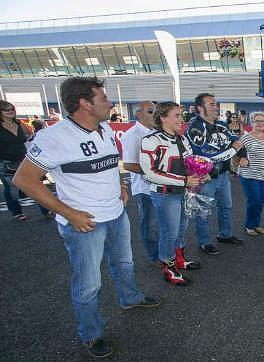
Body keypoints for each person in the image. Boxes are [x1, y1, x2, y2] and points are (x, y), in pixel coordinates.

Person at [12, 77, 160, 358]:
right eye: (104, 98)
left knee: (124, 263)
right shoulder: (54, 136)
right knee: (88, 282)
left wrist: (120, 185)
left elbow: (107, 164)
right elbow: (24, 179)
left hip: (116, 214)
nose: (110, 103)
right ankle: (91, 334)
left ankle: (130, 298)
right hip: (84, 223)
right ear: (85, 104)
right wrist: (69, 213)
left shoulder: (103, 128)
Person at [140, 101, 202, 286]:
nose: (181, 119)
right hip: (165, 195)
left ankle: (179, 260)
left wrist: (198, 175)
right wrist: (184, 181)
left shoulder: (182, 139)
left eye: (180, 115)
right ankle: (168, 268)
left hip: (182, 192)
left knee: (181, 229)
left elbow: (190, 164)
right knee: (169, 232)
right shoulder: (151, 140)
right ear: (162, 117)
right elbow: (149, 173)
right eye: (176, 115)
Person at [185, 93, 247, 255]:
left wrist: (242, 156)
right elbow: (205, 159)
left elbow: (238, 142)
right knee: (203, 211)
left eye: (216, 104)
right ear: (200, 108)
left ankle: (225, 235)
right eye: (211, 104)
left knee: (226, 207)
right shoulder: (194, 128)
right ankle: (204, 242)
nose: (216, 107)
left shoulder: (221, 125)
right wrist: (233, 150)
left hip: (223, 176)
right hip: (206, 179)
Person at [0, 100, 51, 220]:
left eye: (12, 109)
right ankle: (16, 211)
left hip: (23, 159)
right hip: (4, 161)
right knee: (12, 187)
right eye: (7, 109)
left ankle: (47, 209)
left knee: (35, 184)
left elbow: (31, 136)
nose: (11, 111)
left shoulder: (19, 123)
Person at [120, 100, 159, 264]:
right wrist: (157, 173)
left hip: (162, 186)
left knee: (164, 222)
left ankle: (165, 252)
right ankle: (154, 256)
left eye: (156, 111)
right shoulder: (132, 135)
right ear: (138, 114)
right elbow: (128, 164)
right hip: (145, 188)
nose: (155, 115)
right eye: (150, 111)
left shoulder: (157, 132)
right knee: (149, 224)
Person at [238, 112, 264, 236]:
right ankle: (249, 226)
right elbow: (238, 150)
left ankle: (256, 224)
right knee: (254, 200)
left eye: (262, 121)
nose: (260, 123)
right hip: (250, 174)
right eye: (257, 121)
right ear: (251, 123)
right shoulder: (246, 137)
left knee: (260, 201)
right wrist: (243, 158)